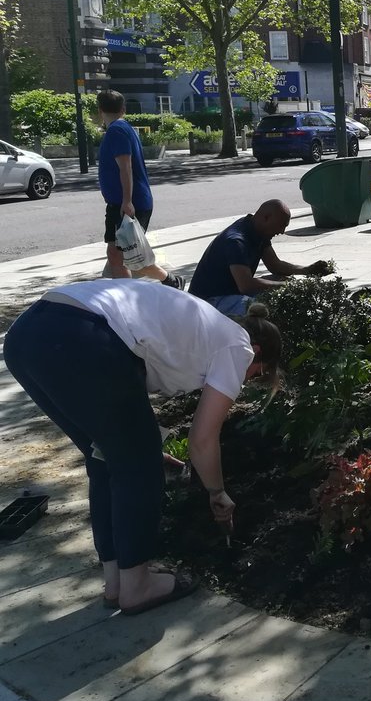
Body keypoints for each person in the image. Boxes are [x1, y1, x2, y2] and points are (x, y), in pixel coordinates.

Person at [3, 280, 281, 615]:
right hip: (79, 336)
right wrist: (216, 492)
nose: (243, 381)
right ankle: (137, 586)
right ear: (259, 353)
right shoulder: (239, 346)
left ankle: (116, 581)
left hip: (28, 336)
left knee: (104, 458)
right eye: (255, 376)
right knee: (138, 467)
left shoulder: (204, 329)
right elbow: (202, 438)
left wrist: (147, 451)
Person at [96, 89, 183, 288]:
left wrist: (127, 201)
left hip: (125, 203)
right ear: (123, 109)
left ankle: (133, 295)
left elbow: (125, 167)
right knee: (123, 255)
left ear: (100, 110)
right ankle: (169, 282)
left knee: (125, 256)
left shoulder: (116, 131)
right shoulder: (124, 128)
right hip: (126, 202)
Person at [188, 199, 332, 316]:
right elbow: (246, 285)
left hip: (231, 291)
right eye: (281, 225)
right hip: (209, 302)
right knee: (266, 307)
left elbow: (275, 265)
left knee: (279, 280)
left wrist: (308, 270)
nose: (282, 231)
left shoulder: (258, 231)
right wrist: (286, 287)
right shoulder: (236, 241)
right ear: (266, 218)